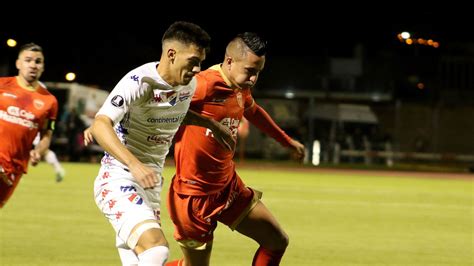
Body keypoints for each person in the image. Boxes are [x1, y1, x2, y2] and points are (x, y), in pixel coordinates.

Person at [83, 21, 233, 265]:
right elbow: (101, 124)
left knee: (143, 260)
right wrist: (134, 164)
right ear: (172, 54)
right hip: (119, 179)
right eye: (193, 61)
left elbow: (175, 111)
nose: (197, 69)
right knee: (157, 251)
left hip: (150, 184)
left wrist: (212, 125)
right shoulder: (139, 81)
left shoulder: (187, 85)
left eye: (201, 63)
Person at [166, 33, 305, 266]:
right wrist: (209, 123)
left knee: (276, 240)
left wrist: (286, 141)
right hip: (193, 198)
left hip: (228, 189)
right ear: (229, 61)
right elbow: (164, 109)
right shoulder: (203, 84)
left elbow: (254, 111)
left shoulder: (240, 86)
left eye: (258, 72)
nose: (253, 78)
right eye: (250, 70)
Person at [0, 43, 59, 208]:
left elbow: (47, 133)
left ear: (43, 67)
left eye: (38, 61)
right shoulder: (2, 85)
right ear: (18, 64)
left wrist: (38, 151)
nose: (33, 65)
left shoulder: (50, 101)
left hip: (15, 168)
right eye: (28, 60)